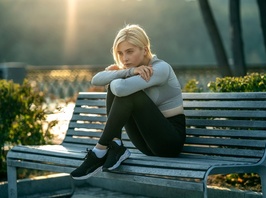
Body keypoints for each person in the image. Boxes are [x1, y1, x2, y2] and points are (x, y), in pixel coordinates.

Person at [70, 24, 186, 180]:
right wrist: (128, 71)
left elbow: (119, 88)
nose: (125, 58)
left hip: (169, 142)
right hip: (146, 143)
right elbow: (96, 80)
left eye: (130, 52)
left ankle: (99, 150)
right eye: (120, 53)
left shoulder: (160, 69)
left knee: (127, 92)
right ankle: (116, 145)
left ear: (144, 50)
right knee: (117, 87)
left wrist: (119, 74)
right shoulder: (134, 70)